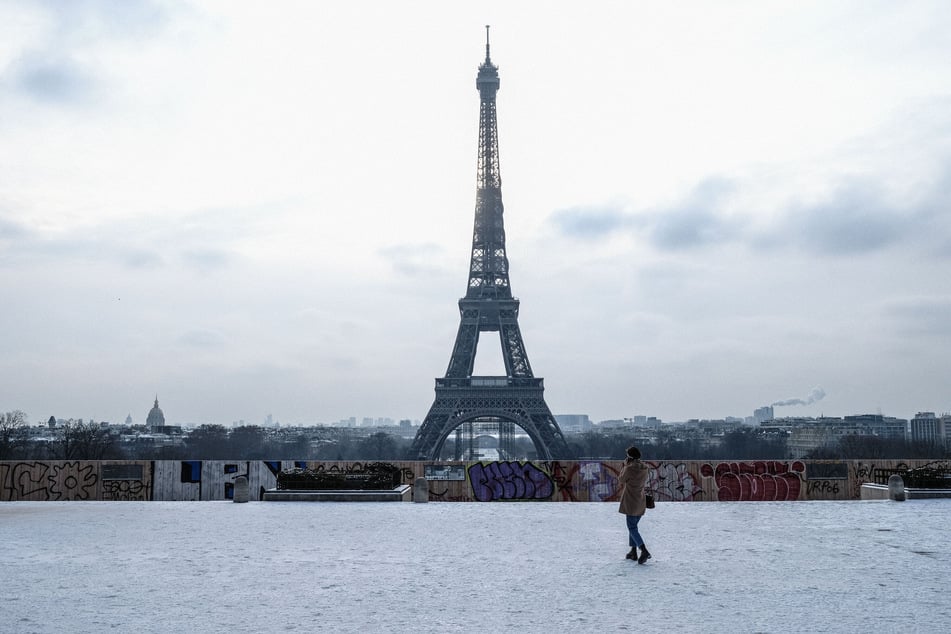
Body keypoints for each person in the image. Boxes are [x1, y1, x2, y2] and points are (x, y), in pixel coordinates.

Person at [618, 445, 651, 563]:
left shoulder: (629, 468)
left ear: (630, 457)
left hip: (631, 501)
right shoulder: (645, 468)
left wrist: (625, 466)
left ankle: (643, 550)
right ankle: (633, 551)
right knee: (634, 526)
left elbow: (621, 479)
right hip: (640, 500)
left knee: (632, 528)